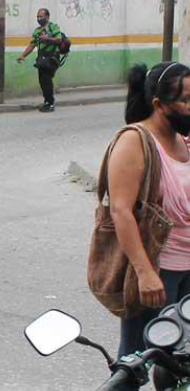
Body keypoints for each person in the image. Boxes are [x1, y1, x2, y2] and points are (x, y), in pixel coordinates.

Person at [109, 62, 190, 366]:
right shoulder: (135, 141)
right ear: (159, 105)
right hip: (159, 270)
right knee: (136, 360)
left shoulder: (182, 140)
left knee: (179, 363)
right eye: (186, 101)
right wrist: (144, 272)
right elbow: (120, 210)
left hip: (187, 269)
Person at [17, 8, 63, 113]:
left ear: (47, 17)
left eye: (41, 16)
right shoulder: (37, 31)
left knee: (46, 79)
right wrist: (23, 55)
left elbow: (59, 39)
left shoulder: (53, 27)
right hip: (42, 58)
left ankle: (50, 103)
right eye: (37, 16)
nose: (39, 18)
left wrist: (47, 39)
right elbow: (32, 45)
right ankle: (47, 101)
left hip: (52, 57)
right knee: (42, 81)